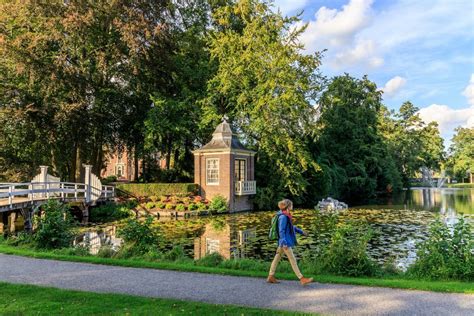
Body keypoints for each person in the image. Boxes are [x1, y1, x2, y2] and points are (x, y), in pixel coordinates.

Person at [267, 199, 313, 286]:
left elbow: (292, 227)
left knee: (276, 258)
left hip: (283, 242)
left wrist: (301, 232)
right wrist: (284, 243)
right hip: (285, 242)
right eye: (291, 205)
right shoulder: (283, 217)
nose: (292, 206)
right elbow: (281, 230)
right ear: (288, 206)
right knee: (292, 259)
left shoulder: (285, 215)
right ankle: (302, 278)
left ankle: (271, 276)